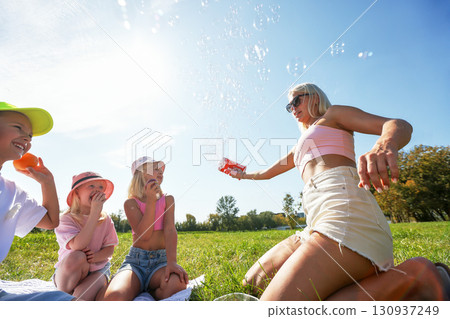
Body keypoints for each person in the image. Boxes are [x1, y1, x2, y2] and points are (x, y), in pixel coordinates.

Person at [228, 83, 448, 301]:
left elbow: (398, 125)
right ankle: (378, 284)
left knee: (275, 307)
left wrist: (384, 143)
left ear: (315, 97)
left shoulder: (334, 116)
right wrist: (243, 174)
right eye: (289, 106)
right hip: (315, 221)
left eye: (296, 100)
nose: (292, 108)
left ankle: (418, 276)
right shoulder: (299, 147)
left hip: (344, 213)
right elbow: (267, 173)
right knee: (252, 283)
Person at [0, 101, 74, 301]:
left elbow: (51, 221)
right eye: (18, 127)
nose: (27, 138)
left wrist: (47, 182)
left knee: (70, 302)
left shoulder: (13, 192)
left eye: (30, 136)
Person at [101, 156, 188, 301]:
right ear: (141, 174)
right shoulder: (130, 203)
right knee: (114, 297)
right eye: (154, 168)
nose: (160, 171)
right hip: (136, 262)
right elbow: (145, 235)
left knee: (177, 285)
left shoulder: (168, 200)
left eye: (160, 169)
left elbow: (170, 230)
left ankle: (151, 293)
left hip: (161, 262)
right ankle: (138, 288)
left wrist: (172, 262)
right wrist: (151, 202)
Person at [53, 171, 118, 301]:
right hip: (71, 271)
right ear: (76, 192)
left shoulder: (105, 219)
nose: (97, 190)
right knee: (78, 255)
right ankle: (63, 294)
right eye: (91, 186)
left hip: (97, 271)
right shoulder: (66, 219)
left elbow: (110, 249)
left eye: (100, 187)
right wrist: (94, 213)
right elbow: (78, 246)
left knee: (79, 298)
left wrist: (95, 257)